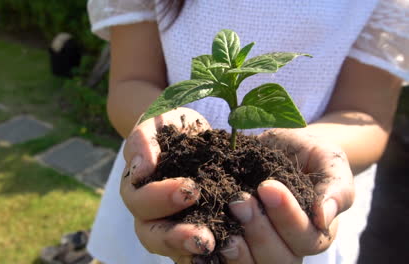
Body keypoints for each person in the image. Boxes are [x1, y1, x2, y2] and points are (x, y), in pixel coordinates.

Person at [86, 0, 409, 263]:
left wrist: (313, 148)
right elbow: (131, 82)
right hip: (165, 177)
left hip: (296, 206)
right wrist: (161, 131)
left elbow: (365, 117)